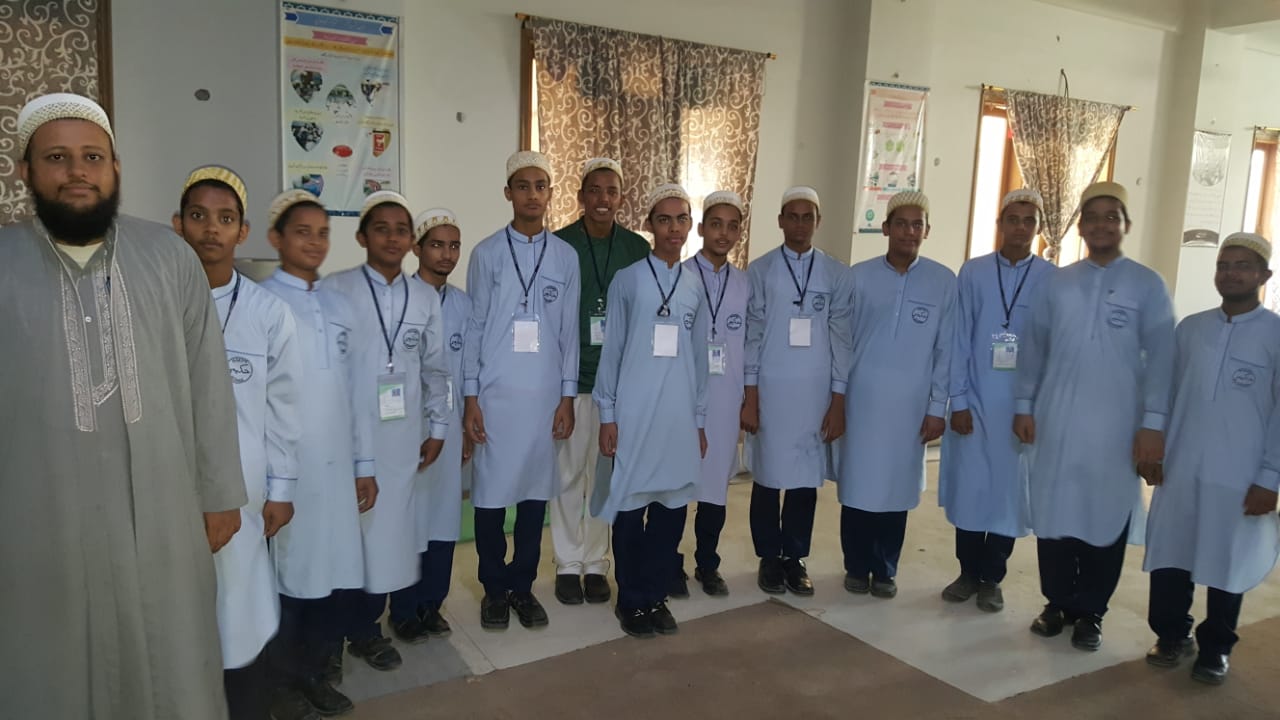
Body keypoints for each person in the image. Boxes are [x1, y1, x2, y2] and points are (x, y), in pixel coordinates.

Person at [0, 92, 245, 720]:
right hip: (37, 513)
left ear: (115, 169)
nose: (76, 171)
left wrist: (220, 493)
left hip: (163, 506)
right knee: (50, 660)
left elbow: (208, 382)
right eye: (56, 157)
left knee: (171, 656)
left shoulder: (169, 257)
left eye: (92, 157)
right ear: (25, 170)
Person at [1014, 181, 1175, 651]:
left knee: (1105, 514)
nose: (1102, 224)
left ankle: (1091, 612)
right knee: (1055, 511)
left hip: (1116, 425)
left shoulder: (1148, 285)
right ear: (1080, 226)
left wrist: (1153, 425)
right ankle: (1056, 602)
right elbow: (1033, 349)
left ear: (1126, 225)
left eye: (1112, 216)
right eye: (1093, 216)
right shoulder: (1057, 282)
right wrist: (1024, 405)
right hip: (1057, 420)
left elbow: (1163, 361)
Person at [173, 166, 305, 719]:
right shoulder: (154, 304)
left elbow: (285, 408)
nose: (211, 229)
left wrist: (282, 488)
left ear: (242, 231)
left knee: (240, 611)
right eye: (198, 216)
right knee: (177, 613)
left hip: (245, 491)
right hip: (168, 486)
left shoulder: (267, 313)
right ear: (178, 224)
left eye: (225, 219)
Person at [1142, 233, 1280, 685]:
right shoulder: (1191, 329)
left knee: (1227, 560)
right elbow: (1165, 391)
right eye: (1224, 265)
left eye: (1242, 266)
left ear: (1264, 275)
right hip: (1181, 464)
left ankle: (1216, 648)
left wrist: (1270, 477)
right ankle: (1170, 635)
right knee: (1172, 553)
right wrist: (1154, 446)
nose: (1231, 273)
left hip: (1239, 473)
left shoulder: (1275, 334)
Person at [260, 190, 376, 717]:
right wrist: (272, 480)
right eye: (302, 232)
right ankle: (284, 682)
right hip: (290, 469)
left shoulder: (338, 304)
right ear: (276, 238)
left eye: (323, 233)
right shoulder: (263, 303)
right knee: (293, 575)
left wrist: (364, 464)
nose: (314, 242)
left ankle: (319, 669)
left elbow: (357, 392)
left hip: (337, 467)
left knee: (333, 572)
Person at [327, 191, 450, 667]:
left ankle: (367, 629)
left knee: (389, 533)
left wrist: (438, 427)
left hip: (403, 439)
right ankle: (330, 637)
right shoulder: (338, 290)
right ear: (362, 237)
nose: (393, 238)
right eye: (382, 229)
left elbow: (436, 370)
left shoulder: (424, 298)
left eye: (402, 230)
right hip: (348, 436)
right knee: (347, 534)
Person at [464, 151, 580, 630]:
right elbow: (474, 327)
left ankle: (523, 587)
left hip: (543, 398)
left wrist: (567, 397)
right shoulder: (487, 253)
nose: (532, 195)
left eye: (541, 186)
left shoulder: (565, 257)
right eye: (523, 186)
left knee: (534, 498)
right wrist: (470, 396)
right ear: (508, 193)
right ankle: (494, 589)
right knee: (491, 498)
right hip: (495, 395)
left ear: (550, 194)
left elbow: (568, 332)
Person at [593, 183, 709, 637]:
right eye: (664, 219)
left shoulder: (694, 285)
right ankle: (631, 599)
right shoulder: (629, 279)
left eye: (681, 219)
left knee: (670, 510)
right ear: (649, 225)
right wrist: (607, 414)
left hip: (678, 416)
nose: (673, 228)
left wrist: (699, 420)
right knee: (630, 508)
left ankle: (657, 595)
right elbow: (613, 351)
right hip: (635, 412)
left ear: (690, 226)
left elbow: (699, 359)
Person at [938, 189, 1054, 612]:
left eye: (1029, 220)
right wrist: (958, 400)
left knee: (1007, 493)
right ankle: (968, 573)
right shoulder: (974, 272)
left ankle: (992, 578)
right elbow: (958, 339)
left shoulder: (1051, 278)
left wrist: (1036, 407)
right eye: (1013, 219)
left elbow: (1050, 346)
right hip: (975, 398)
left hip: (1021, 408)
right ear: (1000, 223)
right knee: (971, 488)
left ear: (1038, 228)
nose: (1020, 227)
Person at [837, 190, 956, 599]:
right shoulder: (859, 277)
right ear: (886, 228)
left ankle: (885, 569)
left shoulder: (943, 281)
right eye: (901, 224)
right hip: (863, 400)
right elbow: (842, 342)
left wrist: (937, 407)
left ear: (927, 231)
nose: (909, 231)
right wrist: (838, 397)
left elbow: (946, 350)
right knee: (859, 484)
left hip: (911, 405)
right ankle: (856, 566)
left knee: (896, 489)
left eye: (917, 225)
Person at [741, 186, 852, 596]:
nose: (800, 224)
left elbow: (842, 339)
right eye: (793, 216)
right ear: (780, 221)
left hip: (815, 392)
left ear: (818, 222)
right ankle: (769, 558)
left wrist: (838, 399)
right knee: (768, 476)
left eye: (808, 217)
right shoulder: (760, 271)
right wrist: (750, 395)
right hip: (771, 388)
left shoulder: (836, 274)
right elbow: (752, 336)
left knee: (805, 480)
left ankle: (795, 557)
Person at [552, 157, 649, 606]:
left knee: (604, 478)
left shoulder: (637, 249)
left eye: (611, 191)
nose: (603, 199)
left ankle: (595, 563)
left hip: (618, 389)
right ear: (580, 197)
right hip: (571, 384)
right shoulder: (560, 246)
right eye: (594, 190)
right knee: (567, 476)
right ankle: (567, 563)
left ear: (621, 198)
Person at [389, 207, 474, 638]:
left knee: (442, 517)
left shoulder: (463, 305)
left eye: (454, 245)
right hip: (405, 428)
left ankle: (430, 604)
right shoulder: (395, 300)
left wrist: (467, 421)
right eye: (437, 245)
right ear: (416, 248)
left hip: (449, 425)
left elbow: (469, 368)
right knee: (408, 520)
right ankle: (403, 610)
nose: (446, 254)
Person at [676, 190, 751, 597]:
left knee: (715, 487)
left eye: (732, 226)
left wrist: (749, 397)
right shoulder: (680, 276)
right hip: (682, 394)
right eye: (716, 224)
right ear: (702, 228)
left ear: (740, 232)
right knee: (676, 483)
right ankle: (669, 562)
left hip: (725, 397)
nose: (723, 233)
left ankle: (707, 563)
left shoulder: (744, 284)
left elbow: (750, 344)